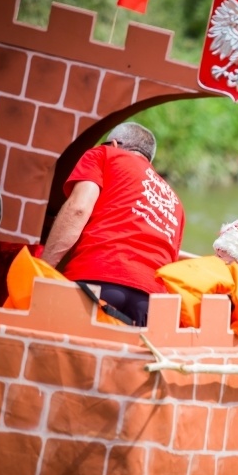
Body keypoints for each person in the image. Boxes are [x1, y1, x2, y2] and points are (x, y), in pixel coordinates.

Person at [41, 122, 185, 326]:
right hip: (150, 303)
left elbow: (78, 208)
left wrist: (42, 269)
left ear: (114, 144)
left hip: (98, 279)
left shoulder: (105, 155)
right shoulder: (175, 201)